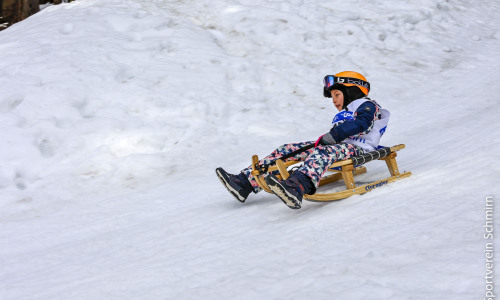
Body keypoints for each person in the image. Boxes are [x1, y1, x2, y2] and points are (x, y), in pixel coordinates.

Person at [216, 71, 390, 209]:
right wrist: (331, 138)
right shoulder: (348, 109)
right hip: (339, 147)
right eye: (333, 96)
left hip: (358, 148)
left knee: (322, 151)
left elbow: (362, 124)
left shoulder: (368, 105)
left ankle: (298, 186)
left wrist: (334, 136)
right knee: (288, 149)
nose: (334, 100)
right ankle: (243, 183)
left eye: (337, 94)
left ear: (352, 90)